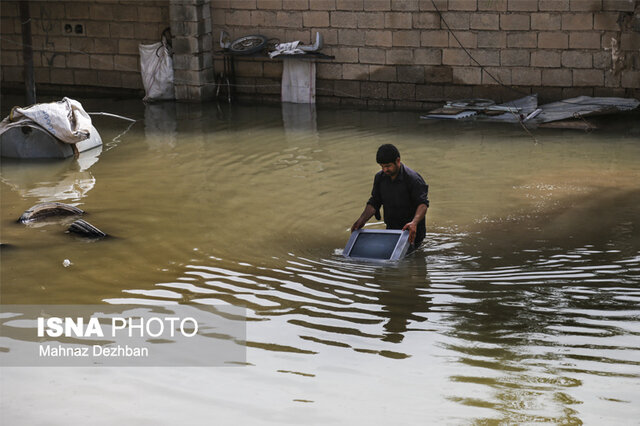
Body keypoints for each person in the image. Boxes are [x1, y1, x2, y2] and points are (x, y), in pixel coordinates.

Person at [351, 144, 429, 250]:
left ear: (398, 161)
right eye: (382, 166)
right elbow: (374, 202)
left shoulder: (413, 179)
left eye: (388, 166)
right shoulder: (380, 178)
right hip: (391, 230)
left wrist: (414, 223)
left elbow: (423, 204)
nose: (385, 170)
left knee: (412, 259)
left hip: (412, 231)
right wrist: (362, 220)